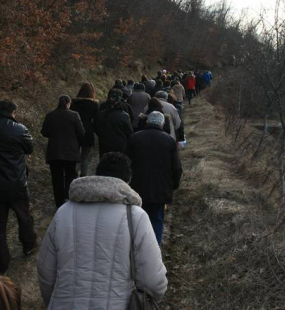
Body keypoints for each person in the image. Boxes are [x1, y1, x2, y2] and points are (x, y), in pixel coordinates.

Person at [37, 152, 168, 309]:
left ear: (98, 176)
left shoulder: (63, 212)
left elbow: (45, 270)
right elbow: (153, 281)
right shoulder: (135, 216)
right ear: (127, 182)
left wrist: (54, 301)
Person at [0, 100, 38, 274]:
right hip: (16, 182)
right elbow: (29, 148)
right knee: (24, 216)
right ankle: (28, 244)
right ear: (13, 112)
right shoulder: (19, 129)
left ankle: (1, 263)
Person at [128, 111, 183, 245]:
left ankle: (137, 247)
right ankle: (154, 249)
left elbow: (127, 162)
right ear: (163, 123)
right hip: (161, 186)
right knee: (157, 219)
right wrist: (174, 184)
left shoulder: (134, 138)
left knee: (137, 219)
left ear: (147, 122)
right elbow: (176, 167)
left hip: (137, 185)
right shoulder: (169, 140)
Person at [41, 95, 85, 208]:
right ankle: (69, 198)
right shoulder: (74, 115)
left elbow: (44, 132)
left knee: (57, 178)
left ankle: (59, 203)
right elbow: (81, 132)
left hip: (54, 152)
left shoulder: (50, 115)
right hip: (71, 151)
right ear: (69, 103)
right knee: (71, 175)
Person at [70, 83, 99, 177]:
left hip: (76, 130)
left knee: (75, 155)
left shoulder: (73, 103)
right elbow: (96, 119)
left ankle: (73, 174)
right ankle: (83, 176)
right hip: (88, 130)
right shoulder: (94, 104)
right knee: (85, 157)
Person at [94, 89, 133, 157]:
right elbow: (129, 131)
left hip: (104, 144)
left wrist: (102, 135)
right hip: (120, 144)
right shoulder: (124, 114)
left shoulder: (100, 113)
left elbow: (95, 127)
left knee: (105, 164)